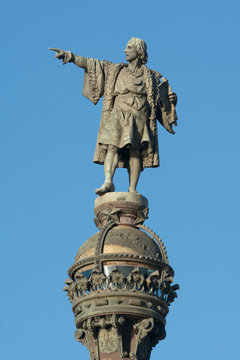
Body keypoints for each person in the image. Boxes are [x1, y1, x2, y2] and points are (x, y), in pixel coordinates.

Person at [49, 37, 178, 195]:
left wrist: (172, 100)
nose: (125, 50)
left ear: (139, 51)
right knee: (112, 146)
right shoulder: (115, 69)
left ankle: (132, 189)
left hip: (139, 115)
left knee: (135, 151)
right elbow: (92, 64)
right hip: (118, 112)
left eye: (129, 47)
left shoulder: (151, 76)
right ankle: (108, 181)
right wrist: (71, 56)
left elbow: (163, 102)